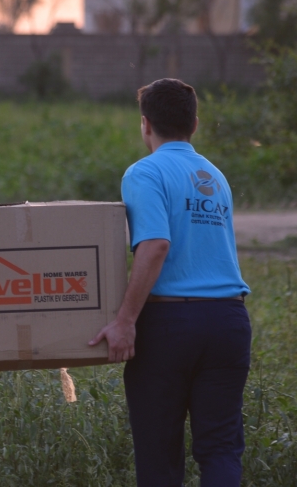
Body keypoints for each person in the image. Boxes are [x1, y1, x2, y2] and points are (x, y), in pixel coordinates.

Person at [90, 78, 252, 487]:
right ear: (194, 124)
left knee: (159, 454)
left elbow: (156, 245)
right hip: (228, 321)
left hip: (170, 326)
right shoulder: (215, 176)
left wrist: (126, 320)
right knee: (220, 449)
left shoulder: (145, 172)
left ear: (145, 124)